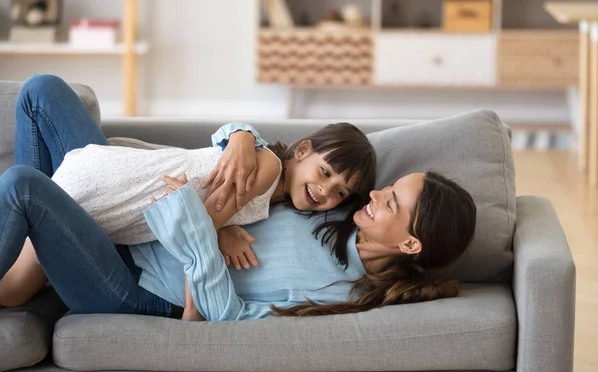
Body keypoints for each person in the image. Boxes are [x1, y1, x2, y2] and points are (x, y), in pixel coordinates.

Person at [0, 75, 477, 321]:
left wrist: (198, 228)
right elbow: (273, 170)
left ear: (411, 245)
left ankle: (28, 265)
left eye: (391, 201)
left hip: (137, 285)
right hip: (131, 217)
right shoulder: (334, 209)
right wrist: (244, 137)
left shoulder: (340, 289)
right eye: (387, 189)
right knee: (41, 92)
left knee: (23, 186)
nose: (375, 193)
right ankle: (31, 260)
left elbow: (227, 314)